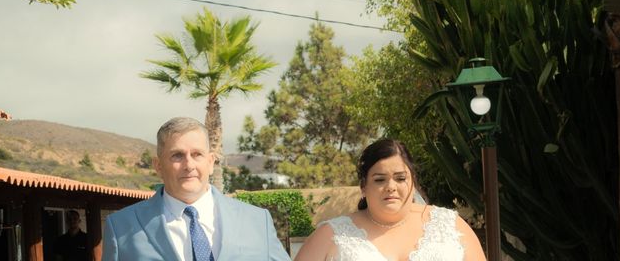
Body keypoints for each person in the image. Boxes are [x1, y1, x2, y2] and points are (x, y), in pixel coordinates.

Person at [102, 116, 290, 261]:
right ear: (158, 165)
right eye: (177, 155)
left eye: (197, 154)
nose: (189, 165)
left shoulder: (257, 221)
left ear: (210, 162)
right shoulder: (121, 227)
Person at [295, 138, 486, 261]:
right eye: (380, 179)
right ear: (363, 186)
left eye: (400, 178)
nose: (391, 187)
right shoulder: (331, 235)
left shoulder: (450, 226)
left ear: (413, 182)